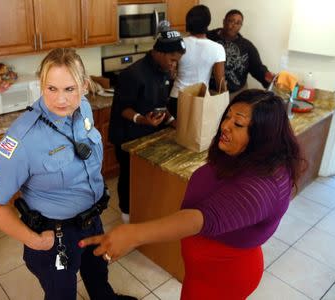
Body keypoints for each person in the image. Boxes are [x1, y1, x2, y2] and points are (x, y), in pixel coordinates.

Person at [81, 89, 306, 299]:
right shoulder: (246, 156)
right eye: (227, 116)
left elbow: (203, 218)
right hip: (204, 270)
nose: (226, 126)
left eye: (238, 123)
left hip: (222, 277)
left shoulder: (263, 187)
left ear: (262, 137)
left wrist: (134, 234)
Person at [0, 48, 137, 300]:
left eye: (69, 89)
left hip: (92, 219)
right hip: (56, 235)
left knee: (97, 273)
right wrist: (34, 241)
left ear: (84, 86)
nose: (60, 100)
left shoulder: (83, 107)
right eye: (51, 89)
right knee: (61, 293)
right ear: (41, 85)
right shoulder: (23, 138)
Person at [108, 24, 186, 223]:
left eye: (177, 62)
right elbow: (122, 108)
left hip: (147, 132)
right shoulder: (133, 74)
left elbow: (161, 105)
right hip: (127, 135)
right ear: (159, 52)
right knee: (128, 177)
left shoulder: (164, 72)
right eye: (172, 60)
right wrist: (143, 120)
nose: (174, 65)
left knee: (145, 177)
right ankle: (127, 216)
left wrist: (173, 121)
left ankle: (143, 211)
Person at [169, 4, 225, 117]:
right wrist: (224, 103)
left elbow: (171, 73)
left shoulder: (179, 43)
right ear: (207, 23)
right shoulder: (217, 48)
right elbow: (220, 82)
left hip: (177, 96)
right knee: (197, 133)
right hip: (200, 98)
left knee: (175, 133)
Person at [207, 9, 275, 100]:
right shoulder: (209, 38)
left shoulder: (246, 46)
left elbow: (257, 67)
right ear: (224, 21)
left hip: (236, 95)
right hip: (211, 93)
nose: (234, 25)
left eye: (238, 23)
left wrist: (266, 76)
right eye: (231, 21)